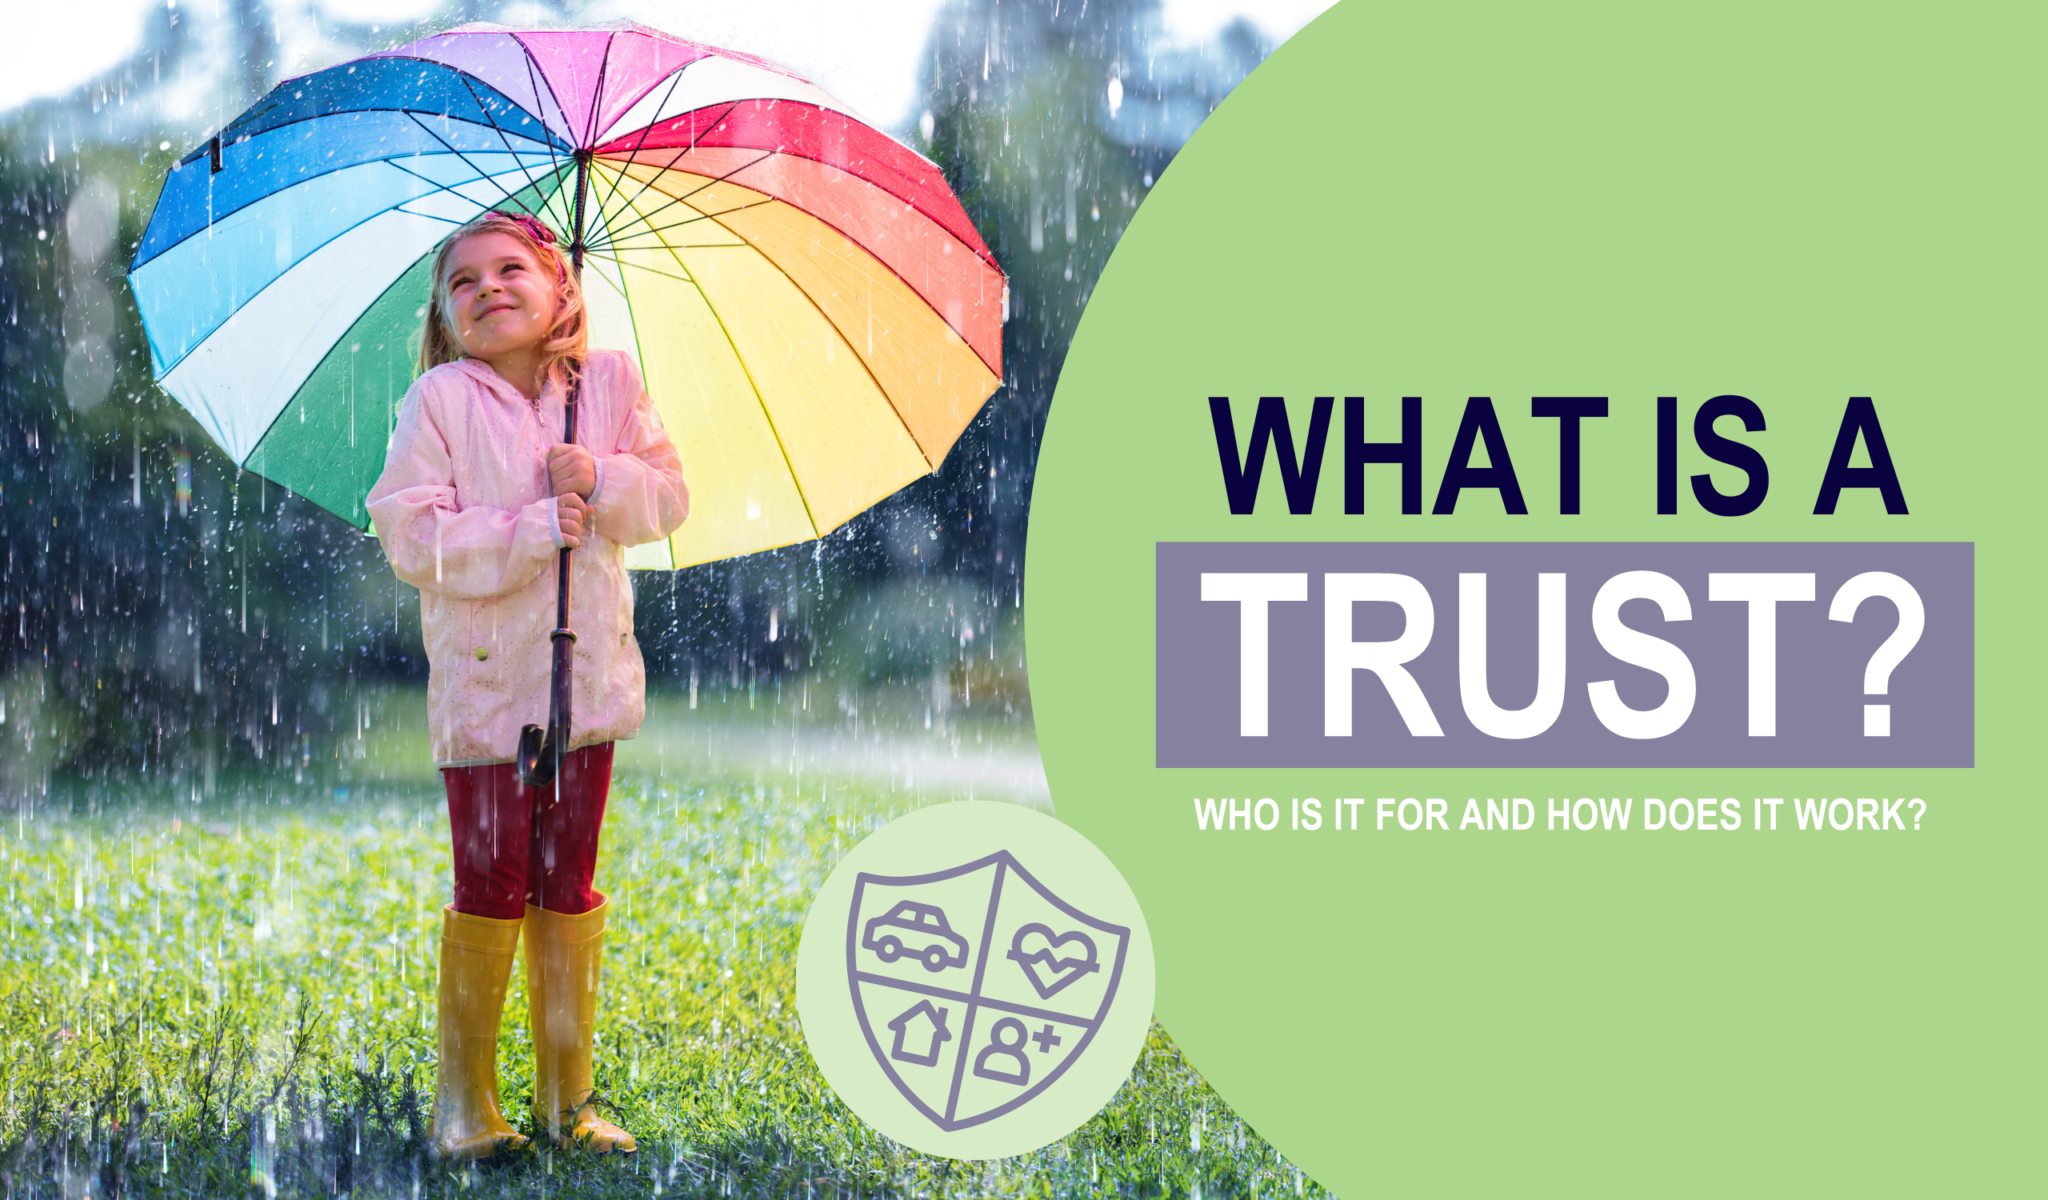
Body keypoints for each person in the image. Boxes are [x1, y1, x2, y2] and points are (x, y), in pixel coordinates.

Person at [366, 210, 688, 1159]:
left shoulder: (610, 386)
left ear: (563, 290)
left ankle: (565, 1101)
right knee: (492, 879)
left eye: (512, 270)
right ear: (446, 314)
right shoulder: (439, 403)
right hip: (487, 695)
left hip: (583, 689)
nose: (488, 289)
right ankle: (464, 1106)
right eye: (463, 283)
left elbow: (668, 499)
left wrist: (604, 474)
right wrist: (524, 529)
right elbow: (411, 535)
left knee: (567, 878)